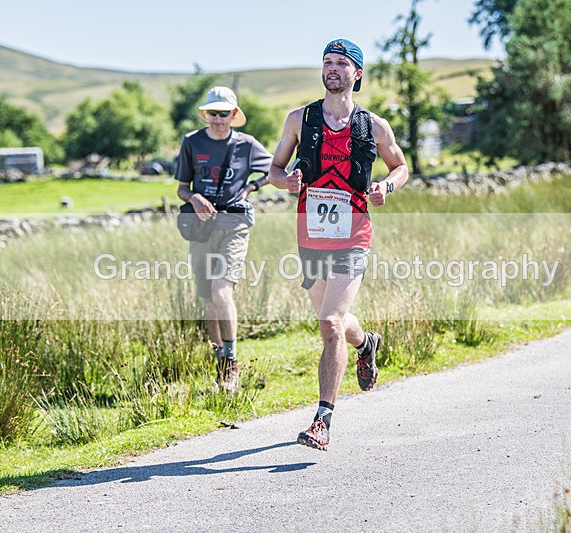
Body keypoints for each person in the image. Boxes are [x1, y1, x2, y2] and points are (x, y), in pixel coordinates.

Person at [268, 39, 409, 450]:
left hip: (354, 232)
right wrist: (286, 180)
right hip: (310, 234)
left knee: (329, 323)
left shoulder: (373, 125)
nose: (332, 68)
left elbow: (400, 167)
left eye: (341, 63)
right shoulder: (300, 118)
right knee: (335, 320)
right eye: (327, 62)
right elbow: (275, 169)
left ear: (357, 73)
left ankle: (322, 421)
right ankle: (367, 344)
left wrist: (385, 185)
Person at [175, 86, 272, 393]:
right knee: (206, 300)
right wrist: (195, 198)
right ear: (206, 115)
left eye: (224, 113)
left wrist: (252, 187)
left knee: (220, 292)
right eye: (213, 113)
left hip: (235, 224)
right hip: (202, 225)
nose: (218, 119)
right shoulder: (192, 142)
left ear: (234, 115)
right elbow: (181, 187)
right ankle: (220, 362)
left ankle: (232, 362)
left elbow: (277, 167)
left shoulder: (247, 144)